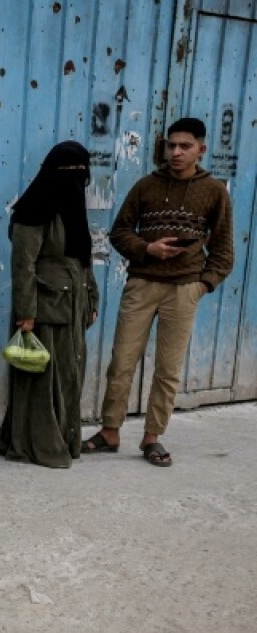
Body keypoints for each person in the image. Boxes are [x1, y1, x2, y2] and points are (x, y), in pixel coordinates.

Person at [83, 117, 233, 466]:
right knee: (121, 361)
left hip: (183, 289)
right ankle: (110, 431)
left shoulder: (213, 191)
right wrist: (147, 249)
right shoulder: (145, 186)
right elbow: (119, 232)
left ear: (201, 149)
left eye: (185, 146)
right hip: (142, 284)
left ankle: (152, 438)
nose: (176, 153)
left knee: (168, 368)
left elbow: (224, 250)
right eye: (171, 145)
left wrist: (202, 285)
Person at [0, 141, 98, 468]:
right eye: (68, 170)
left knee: (68, 374)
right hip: (42, 306)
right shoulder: (33, 209)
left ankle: (61, 440)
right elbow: (23, 263)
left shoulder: (74, 208)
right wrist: (26, 313)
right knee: (41, 376)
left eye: (81, 170)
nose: (75, 177)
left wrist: (91, 298)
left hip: (73, 302)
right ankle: (36, 444)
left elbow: (83, 258)